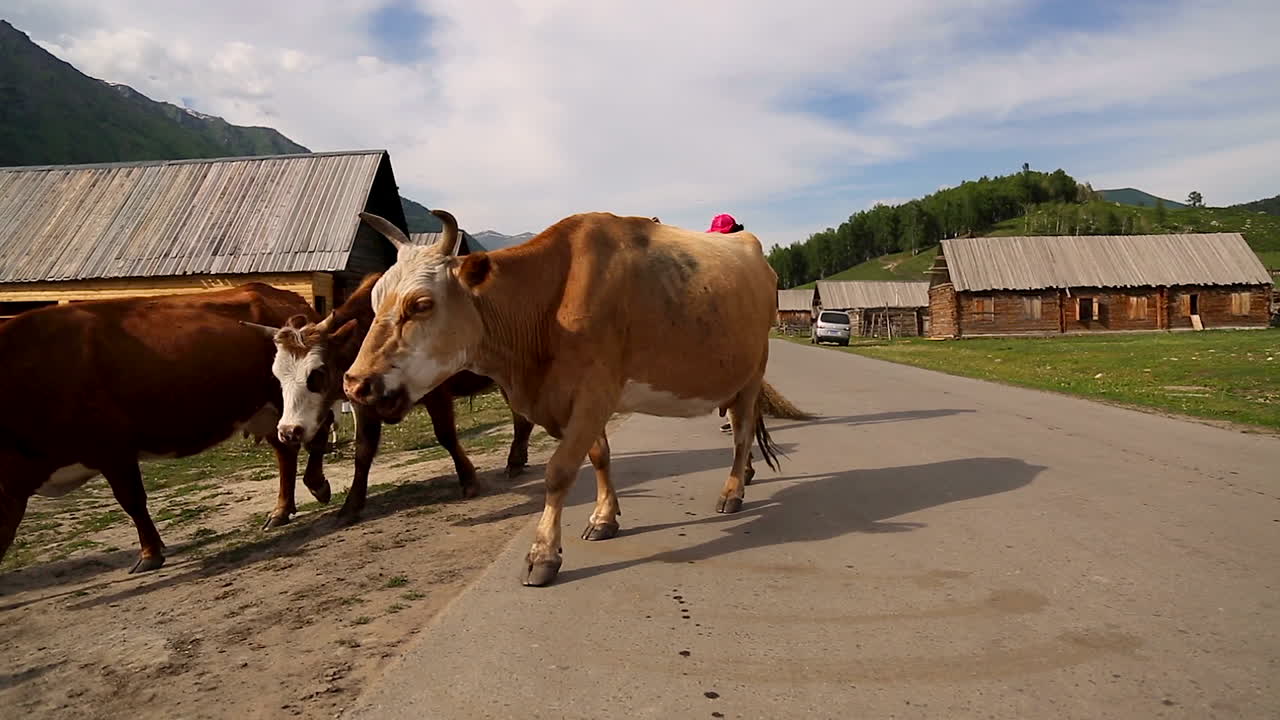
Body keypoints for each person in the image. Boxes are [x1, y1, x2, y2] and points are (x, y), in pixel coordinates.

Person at [707, 213, 744, 432]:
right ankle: (736, 416)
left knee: (737, 380)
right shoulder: (715, 257)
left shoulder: (743, 258)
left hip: (739, 328)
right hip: (721, 327)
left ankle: (739, 418)